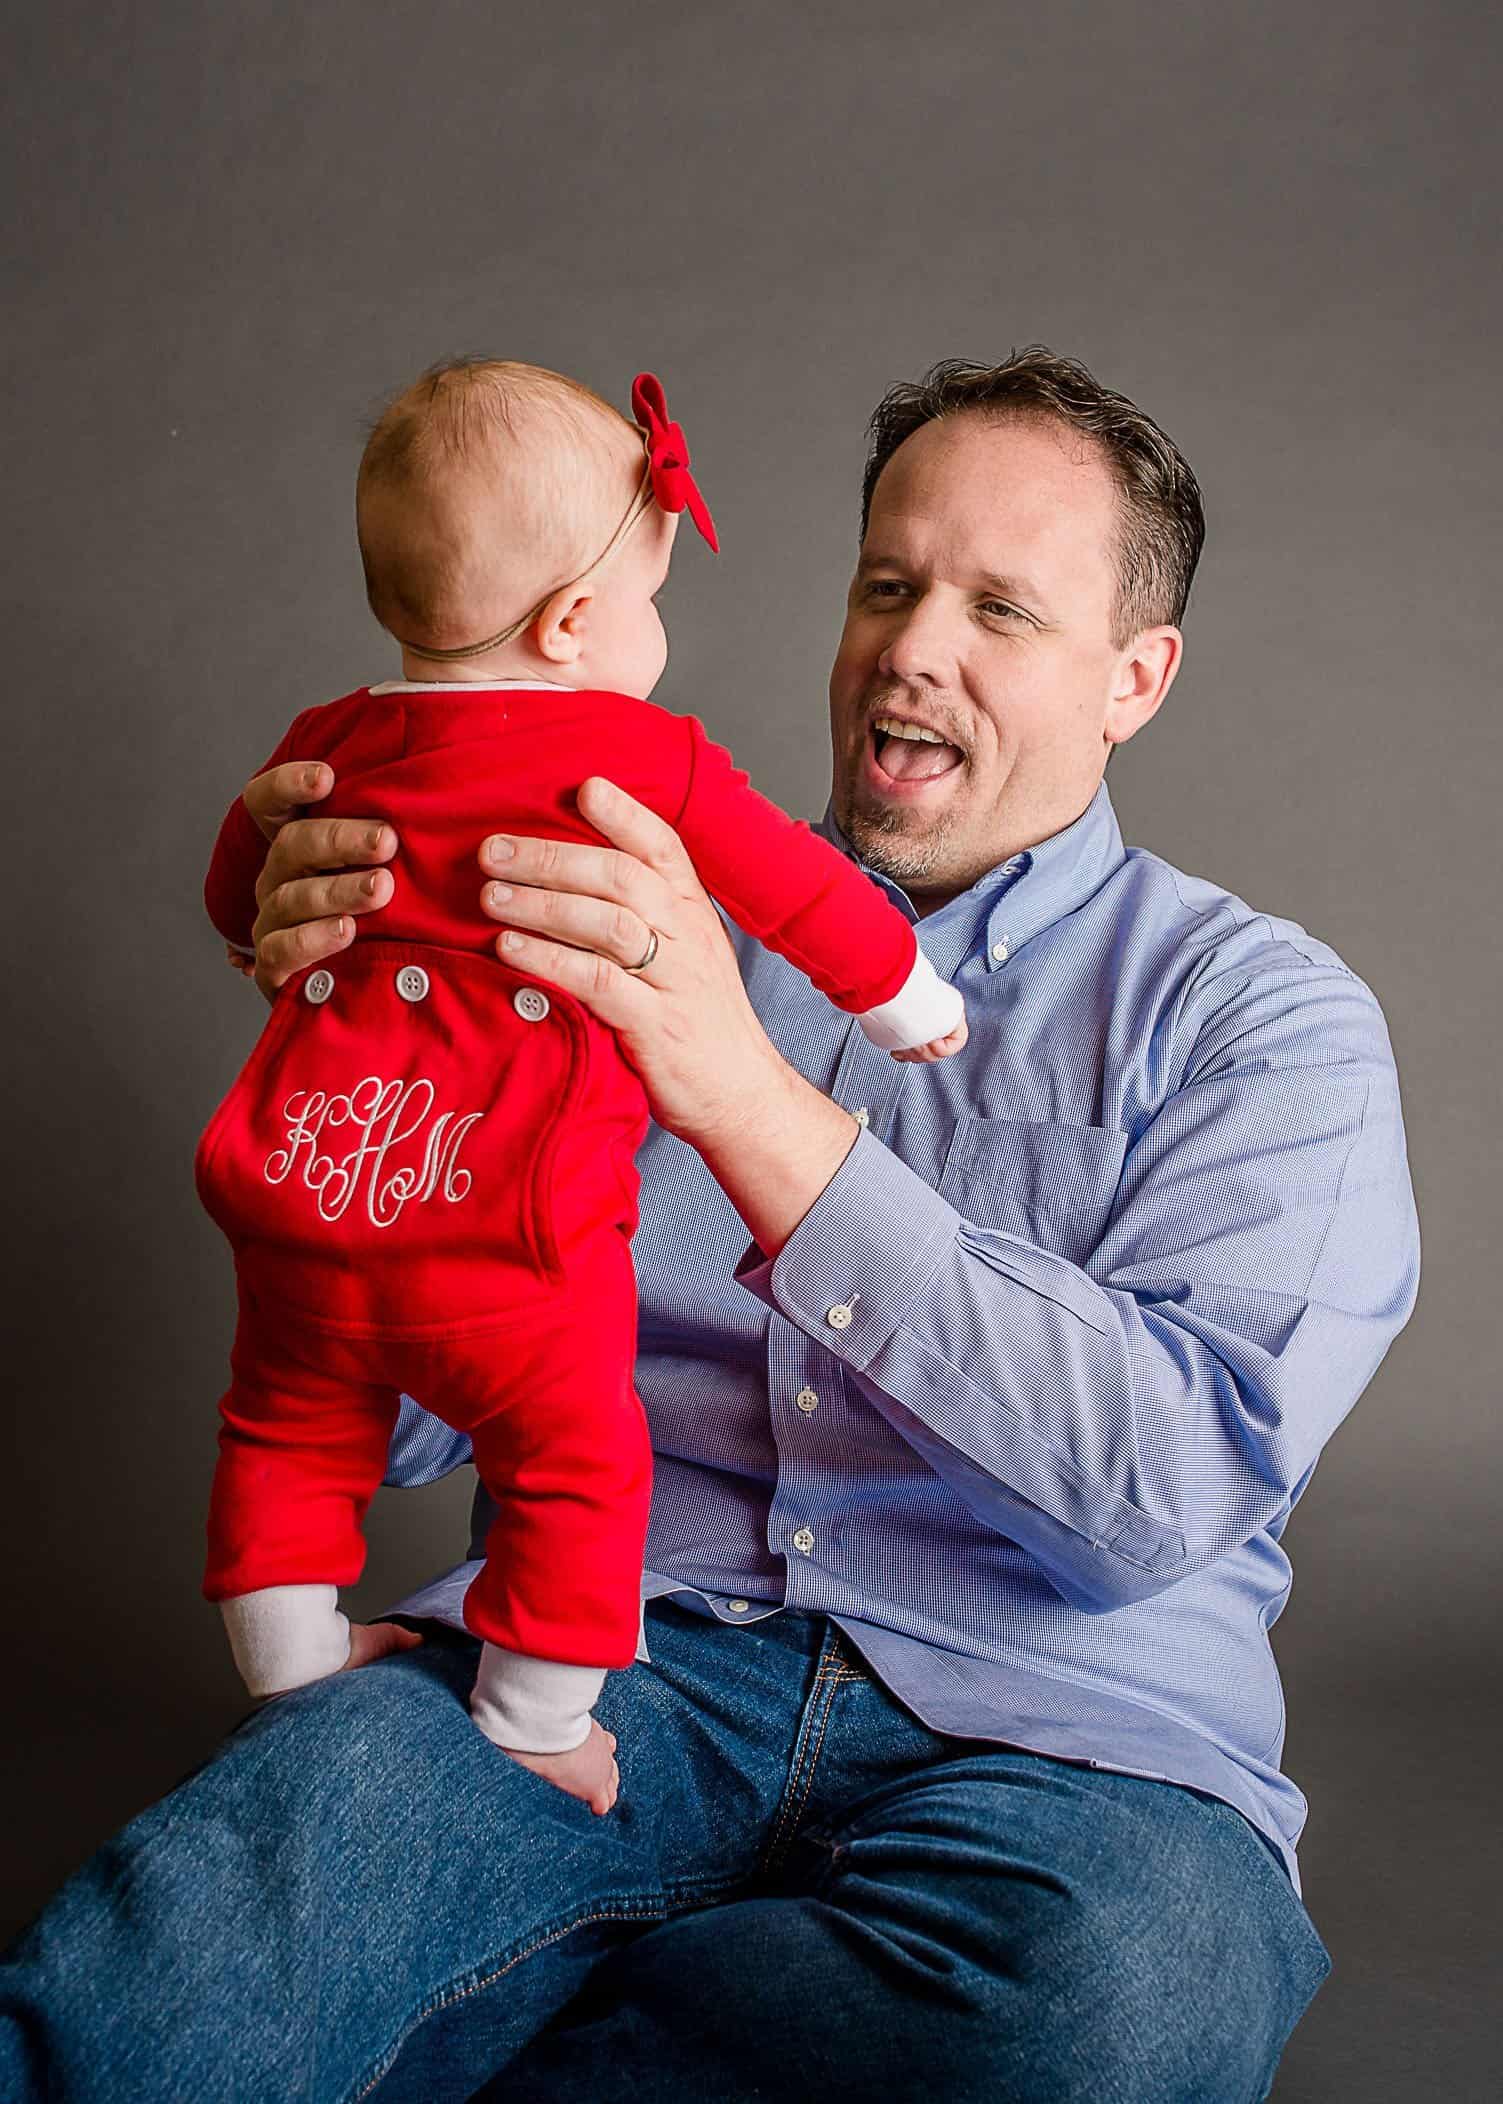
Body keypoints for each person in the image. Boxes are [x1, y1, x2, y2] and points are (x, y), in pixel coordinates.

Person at [0, 347, 1419, 2103]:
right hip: (596, 1654)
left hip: (1072, 1737)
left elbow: (1164, 1497)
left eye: (999, 609)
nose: (910, 647)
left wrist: (743, 1092)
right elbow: (430, 1402)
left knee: (1107, 2012)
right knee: (174, 1971)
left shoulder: (1262, 1016)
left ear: (1137, 678)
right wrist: (365, 1018)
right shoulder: (592, 886)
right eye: (886, 584)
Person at [195, 360, 965, 1817]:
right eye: (652, 594)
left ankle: (292, 1665)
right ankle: (540, 1717)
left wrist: (254, 914)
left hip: (317, 1195)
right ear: (570, 625)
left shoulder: (326, 743)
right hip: (508, 1234)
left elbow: (246, 876)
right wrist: (903, 993)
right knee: (578, 1459)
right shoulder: (637, 752)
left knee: (285, 1428)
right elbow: (799, 887)